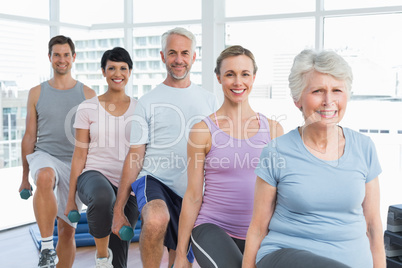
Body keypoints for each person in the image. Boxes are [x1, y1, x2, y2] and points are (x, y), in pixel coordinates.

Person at [242, 49, 386, 268]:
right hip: (286, 257)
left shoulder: (364, 148)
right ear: (297, 99)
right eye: (318, 91)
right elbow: (258, 227)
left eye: (337, 90)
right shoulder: (276, 152)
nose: (329, 101)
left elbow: (374, 226)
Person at [111, 27, 218, 268]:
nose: (178, 59)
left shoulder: (210, 100)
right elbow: (135, 154)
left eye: (184, 53)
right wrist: (118, 210)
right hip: (154, 180)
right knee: (157, 218)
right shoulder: (148, 101)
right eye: (172, 53)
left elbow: (216, 152)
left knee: (180, 262)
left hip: (191, 190)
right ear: (162, 56)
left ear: (194, 56)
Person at [174, 45, 284, 268]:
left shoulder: (273, 129)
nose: (238, 82)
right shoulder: (202, 130)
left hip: (259, 233)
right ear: (218, 77)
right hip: (211, 227)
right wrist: (180, 255)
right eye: (230, 74)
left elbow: (280, 194)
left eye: (244, 74)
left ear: (254, 77)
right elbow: (194, 195)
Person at [18, 35, 96, 268]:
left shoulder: (88, 94)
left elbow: (94, 140)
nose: (61, 60)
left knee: (67, 231)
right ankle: (46, 248)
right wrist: (24, 177)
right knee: (43, 176)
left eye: (66, 55)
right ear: (49, 58)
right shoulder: (36, 92)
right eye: (56, 55)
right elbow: (30, 136)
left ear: (74, 58)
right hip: (45, 155)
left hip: (74, 164)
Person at [64, 47, 139, 268]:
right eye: (112, 68)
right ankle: (101, 256)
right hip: (93, 175)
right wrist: (71, 200)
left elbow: (142, 153)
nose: (118, 73)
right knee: (103, 196)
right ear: (104, 72)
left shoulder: (139, 109)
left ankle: (112, 259)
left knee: (121, 258)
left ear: (130, 71)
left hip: (127, 183)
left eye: (123, 68)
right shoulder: (87, 108)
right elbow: (79, 154)